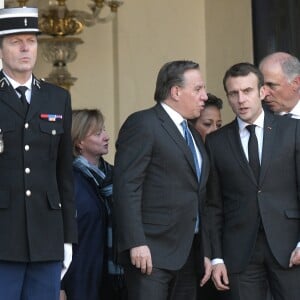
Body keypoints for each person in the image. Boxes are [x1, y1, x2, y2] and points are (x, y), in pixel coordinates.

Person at [114, 60, 212, 300]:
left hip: (189, 254)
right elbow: (127, 187)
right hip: (150, 254)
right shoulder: (144, 123)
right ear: (176, 92)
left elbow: (199, 194)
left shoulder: (193, 135)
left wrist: (206, 251)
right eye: (198, 89)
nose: (205, 96)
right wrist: (136, 242)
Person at [0, 7, 77, 300]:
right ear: (1, 48)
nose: (24, 47)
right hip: (3, 237)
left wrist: (68, 238)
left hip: (47, 236)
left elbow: (64, 174)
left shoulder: (57, 97)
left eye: (31, 40)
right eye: (15, 40)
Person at [205, 62, 300, 300]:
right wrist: (216, 257)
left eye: (247, 91)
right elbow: (213, 205)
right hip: (239, 252)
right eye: (234, 93)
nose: (241, 99)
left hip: (289, 246)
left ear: (262, 92)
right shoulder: (216, 142)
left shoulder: (293, 130)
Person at [61, 109, 126, 300]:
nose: (106, 137)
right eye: (98, 133)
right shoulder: (68, 180)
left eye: (104, 130)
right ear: (79, 142)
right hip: (81, 278)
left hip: (115, 278)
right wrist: (60, 284)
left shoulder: (114, 176)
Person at [259, 52, 300, 118]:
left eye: (271, 85)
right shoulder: (257, 117)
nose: (264, 93)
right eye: (261, 86)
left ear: (295, 83)